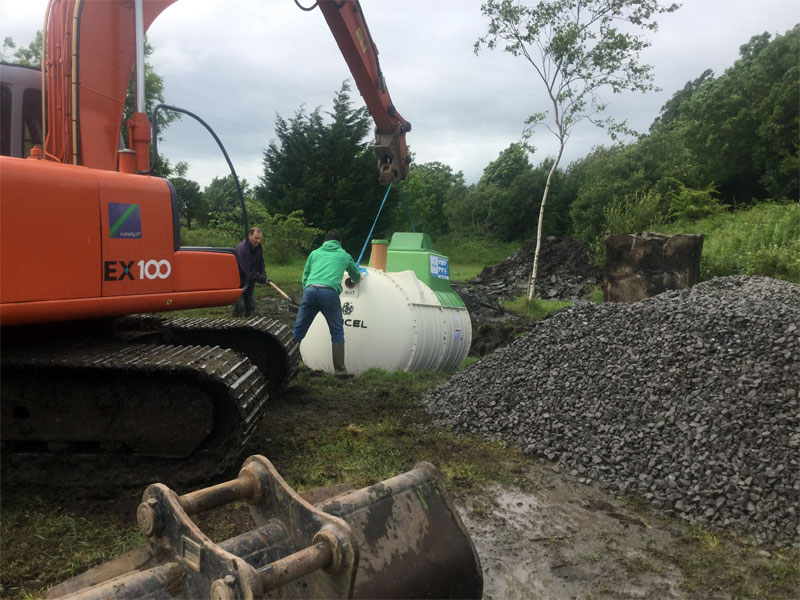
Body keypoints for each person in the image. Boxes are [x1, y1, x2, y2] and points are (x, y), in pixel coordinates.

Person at [293, 229, 362, 378]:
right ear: (340, 243)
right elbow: (356, 276)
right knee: (336, 331)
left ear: (324, 241)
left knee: (299, 330)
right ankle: (340, 370)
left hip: (310, 291)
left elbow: (305, 275)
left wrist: (307, 291)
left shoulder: (314, 253)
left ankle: (286, 363)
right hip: (329, 293)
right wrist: (356, 279)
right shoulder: (344, 255)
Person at [232, 226, 269, 317]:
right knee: (240, 306)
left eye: (260, 239)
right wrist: (262, 279)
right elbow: (248, 270)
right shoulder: (242, 248)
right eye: (256, 238)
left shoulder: (258, 247)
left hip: (250, 281)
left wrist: (263, 274)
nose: (258, 241)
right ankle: (237, 322)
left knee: (251, 306)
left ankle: (250, 322)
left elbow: (261, 262)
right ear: (249, 235)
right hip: (238, 281)